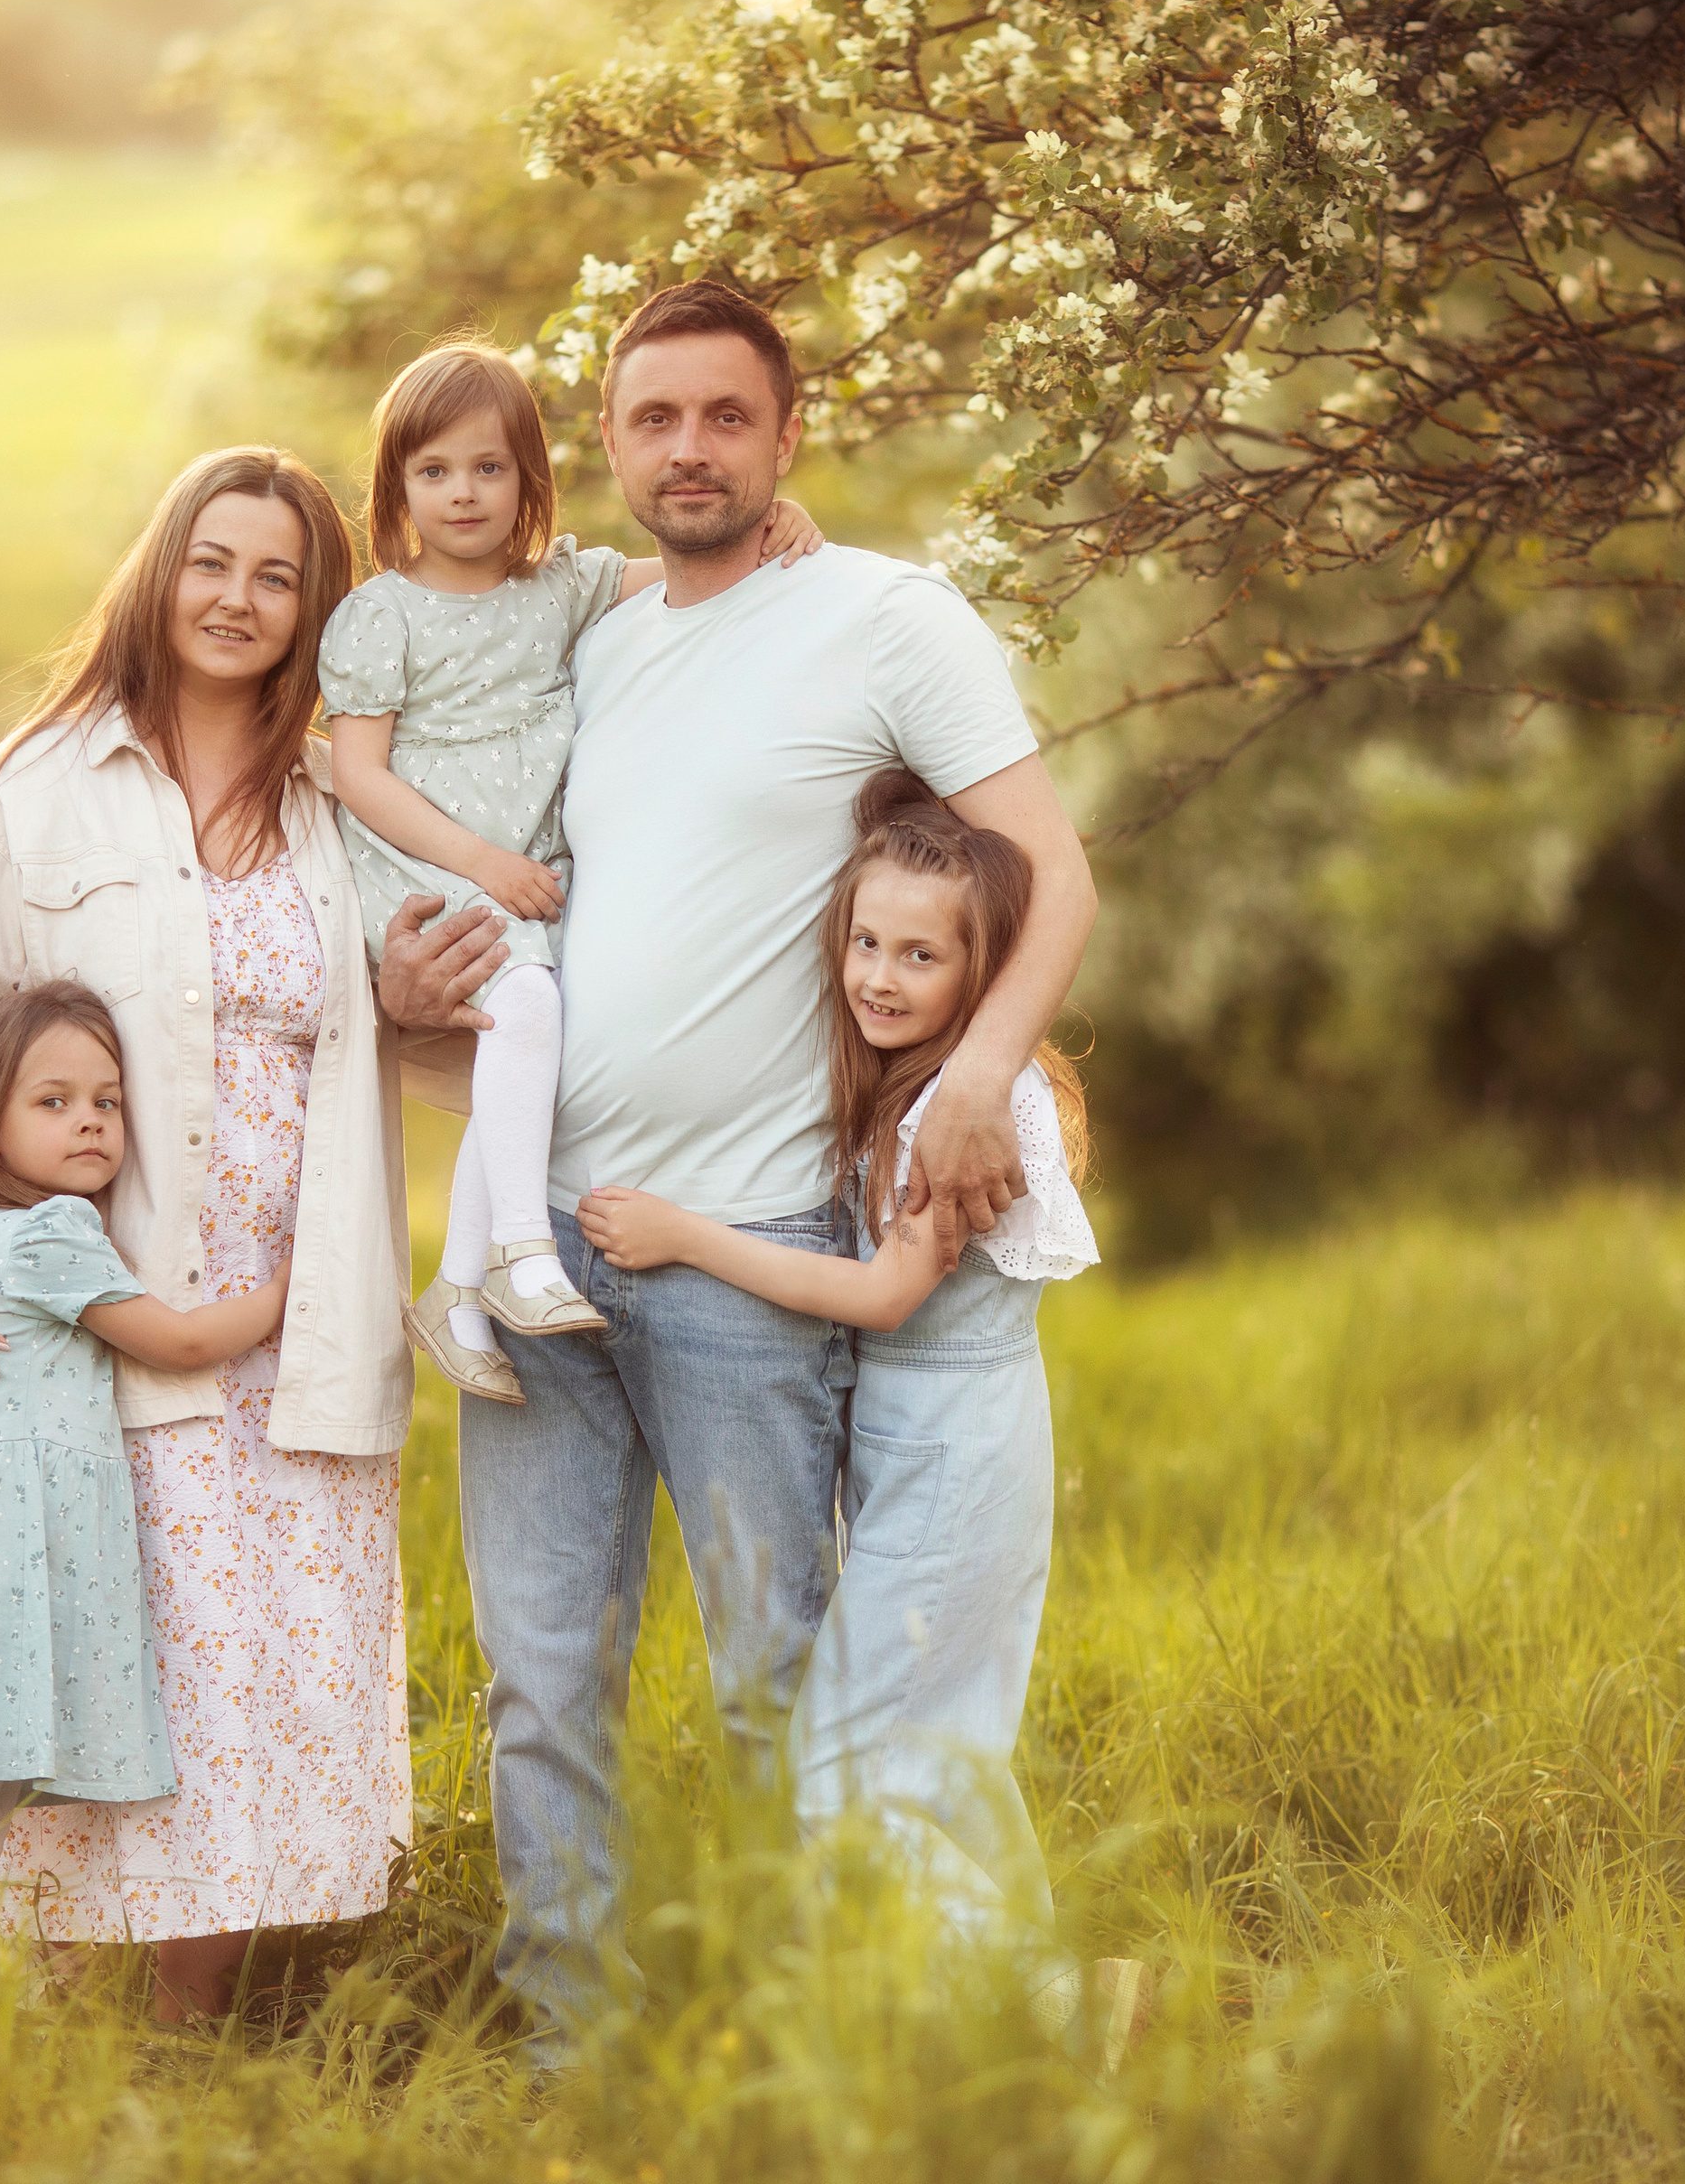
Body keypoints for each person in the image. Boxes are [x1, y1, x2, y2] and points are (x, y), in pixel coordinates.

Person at [374, 277, 1098, 2055]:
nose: (685, 447)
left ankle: (811, 2031)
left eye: (722, 416)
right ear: (605, 445)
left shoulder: (881, 614)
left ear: (785, 436)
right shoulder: (587, 627)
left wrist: (980, 1077)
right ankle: (574, 2043)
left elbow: (1050, 873)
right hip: (542, 1234)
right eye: (650, 418)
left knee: (779, 1673)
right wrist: (401, 996)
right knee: (541, 1679)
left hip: (749, 1248)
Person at [0, 446, 421, 2023]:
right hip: (114, 1316)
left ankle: (194, 2028)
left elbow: (435, 1003)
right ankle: (19, 2014)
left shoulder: (346, 793)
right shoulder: (43, 784)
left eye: (279, 574)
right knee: (114, 1652)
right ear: (161, 572)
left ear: (317, 608)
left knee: (266, 1682)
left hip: (302, 1313)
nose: (238, 599)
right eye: (212, 562)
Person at [581, 770, 1148, 2067]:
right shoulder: (902, 1078)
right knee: (940, 1747)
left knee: (841, 1758)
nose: (883, 976)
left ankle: (1045, 2015)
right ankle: (1015, 2006)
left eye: (924, 955)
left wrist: (686, 1238)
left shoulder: (966, 1108)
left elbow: (888, 1296)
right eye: (867, 943)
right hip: (932, 1449)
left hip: (955, 1456)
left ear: (984, 969)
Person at [320, 336, 821, 1403]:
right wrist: (481, 862)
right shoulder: (379, 616)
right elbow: (359, 775)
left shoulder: (557, 592)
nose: (464, 493)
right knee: (532, 1006)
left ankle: (457, 1292)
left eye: (490, 468)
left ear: (529, 480)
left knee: (532, 1052)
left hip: (521, 875)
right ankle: (517, 1253)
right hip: (423, 863)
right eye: (435, 471)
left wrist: (782, 522)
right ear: (397, 484)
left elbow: (683, 565)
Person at [0, 982, 295, 1991]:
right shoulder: (45, 1231)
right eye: (51, 1101)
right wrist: (286, 1290)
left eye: (106, 1098)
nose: (90, 1118)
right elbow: (179, 1341)